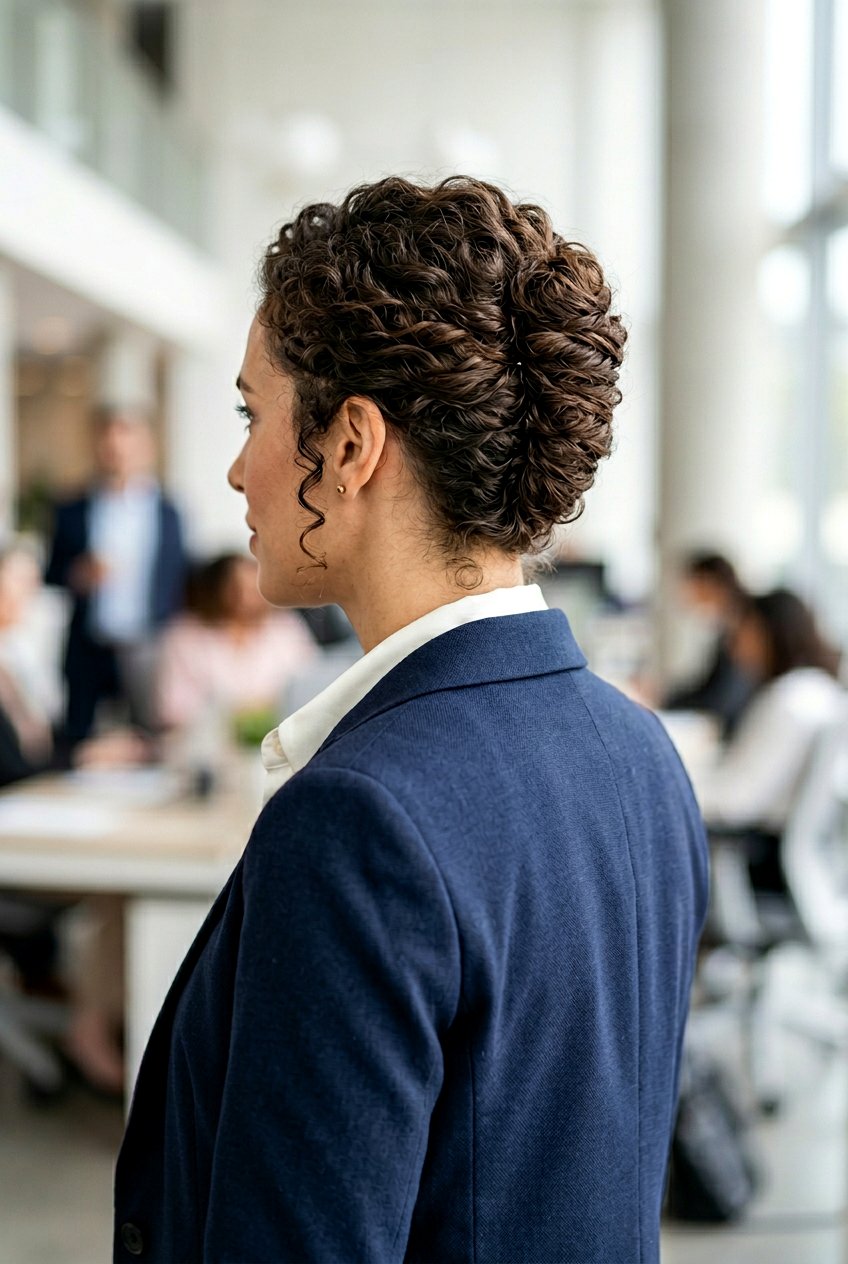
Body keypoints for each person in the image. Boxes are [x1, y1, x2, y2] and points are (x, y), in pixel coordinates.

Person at [114, 176, 707, 1263]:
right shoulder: (638, 754)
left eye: (254, 415)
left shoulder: (357, 823)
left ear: (349, 445)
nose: (238, 468)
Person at [45, 408, 187, 745]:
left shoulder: (169, 511)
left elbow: (180, 576)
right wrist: (76, 575)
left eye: (127, 443)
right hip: (89, 645)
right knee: (79, 739)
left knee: (152, 738)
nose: (117, 453)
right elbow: (52, 573)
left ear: (147, 447)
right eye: (109, 444)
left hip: (149, 644)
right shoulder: (71, 509)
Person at [694, 587, 844, 888]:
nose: (736, 645)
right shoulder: (821, 690)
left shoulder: (788, 700)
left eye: (744, 632)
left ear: (768, 632)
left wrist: (671, 785)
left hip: (760, 857)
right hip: (806, 854)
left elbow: (736, 802)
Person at [155, 552, 317, 733]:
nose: (248, 598)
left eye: (254, 588)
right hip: (206, 745)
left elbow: (309, 685)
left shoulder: (286, 628)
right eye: (237, 588)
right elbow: (174, 709)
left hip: (281, 736)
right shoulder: (184, 635)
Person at [663, 551, 755, 735]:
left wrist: (666, 700)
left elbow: (720, 699)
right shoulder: (726, 628)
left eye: (692, 587)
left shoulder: (745, 631)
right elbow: (707, 685)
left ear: (709, 582)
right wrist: (664, 697)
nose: (688, 597)